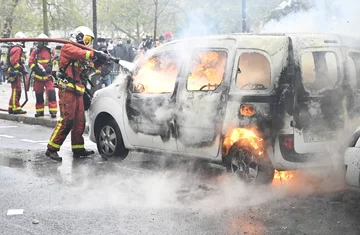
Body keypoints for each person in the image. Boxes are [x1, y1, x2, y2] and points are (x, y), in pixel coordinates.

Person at [45, 26, 111, 161]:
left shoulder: (80, 54)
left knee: (80, 122)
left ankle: (78, 149)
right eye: (86, 39)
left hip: (78, 91)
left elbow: (88, 72)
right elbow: (82, 54)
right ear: (78, 36)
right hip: (67, 91)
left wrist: (99, 63)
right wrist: (95, 54)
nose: (87, 43)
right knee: (67, 121)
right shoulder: (68, 48)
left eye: (89, 41)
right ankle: (51, 149)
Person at [29, 33, 57, 118]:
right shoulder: (35, 51)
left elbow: (55, 60)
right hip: (38, 77)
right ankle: (39, 111)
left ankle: (53, 111)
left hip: (48, 77)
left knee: (51, 93)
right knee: (39, 94)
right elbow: (30, 62)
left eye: (40, 42)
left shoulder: (50, 51)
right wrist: (36, 69)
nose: (38, 43)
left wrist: (50, 67)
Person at [7, 32, 27, 115]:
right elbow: (14, 61)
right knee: (16, 90)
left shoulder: (15, 48)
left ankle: (11, 107)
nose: (24, 42)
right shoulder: (17, 49)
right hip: (14, 72)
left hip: (14, 71)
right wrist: (20, 68)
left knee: (15, 90)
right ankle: (16, 108)